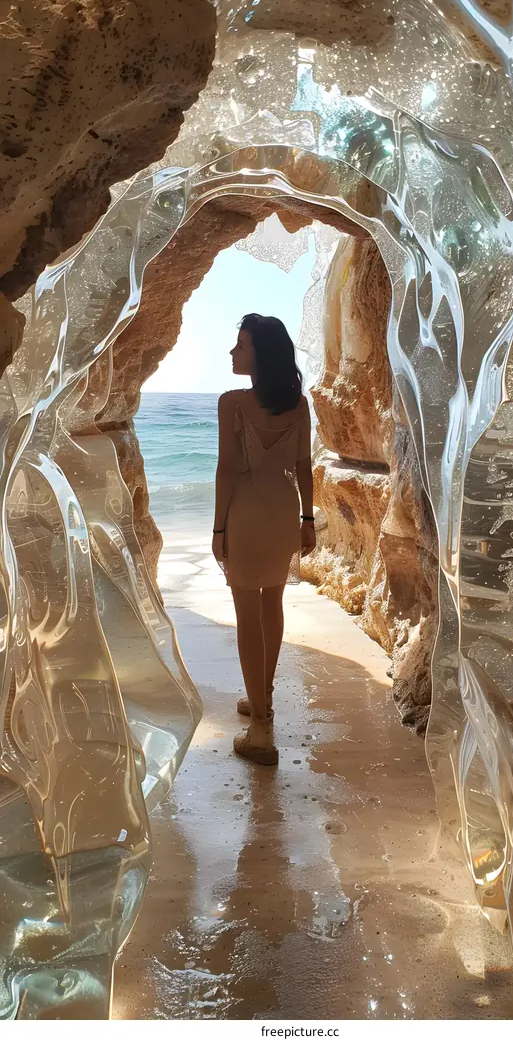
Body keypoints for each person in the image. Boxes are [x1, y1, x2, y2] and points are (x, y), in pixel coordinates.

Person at [212, 313, 316, 767]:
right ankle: (262, 697)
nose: (233, 352)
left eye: (241, 345)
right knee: (272, 605)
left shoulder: (232, 403)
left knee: (246, 616)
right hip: (284, 515)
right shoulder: (299, 404)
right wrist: (308, 519)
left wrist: (218, 529)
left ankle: (261, 731)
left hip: (247, 517)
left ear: (261, 354)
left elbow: (227, 470)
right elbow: (305, 468)